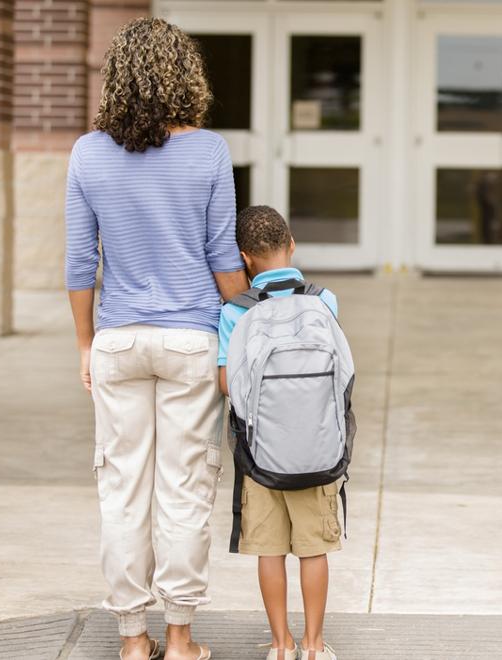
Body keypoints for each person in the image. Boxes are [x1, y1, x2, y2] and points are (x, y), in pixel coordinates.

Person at [64, 17, 248, 660]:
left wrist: (87, 343)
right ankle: (180, 638)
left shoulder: (88, 152)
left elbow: (79, 264)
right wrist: (250, 317)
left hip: (118, 341)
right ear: (183, 74)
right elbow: (224, 257)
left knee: (121, 491)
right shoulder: (210, 151)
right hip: (190, 341)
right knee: (185, 489)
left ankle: (132, 640)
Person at [218, 206, 342, 660]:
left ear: (246, 258)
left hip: (261, 454)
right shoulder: (323, 301)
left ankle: (280, 644)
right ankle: (313, 645)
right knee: (314, 549)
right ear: (291, 244)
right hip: (318, 449)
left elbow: (227, 383)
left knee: (270, 550)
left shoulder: (236, 311)